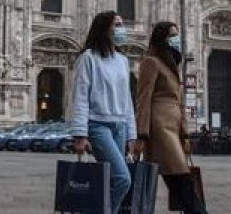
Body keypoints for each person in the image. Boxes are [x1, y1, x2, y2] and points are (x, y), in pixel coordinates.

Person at [134, 21, 207, 214]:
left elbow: (179, 103)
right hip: (160, 129)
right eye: (172, 35)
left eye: (177, 34)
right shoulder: (151, 62)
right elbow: (144, 98)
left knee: (180, 180)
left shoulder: (170, 64)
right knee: (181, 179)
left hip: (173, 129)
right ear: (161, 38)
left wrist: (184, 134)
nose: (177, 39)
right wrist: (142, 135)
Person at [71, 11, 136, 214]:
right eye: (117, 25)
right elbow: (80, 97)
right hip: (98, 125)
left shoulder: (123, 60)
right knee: (122, 179)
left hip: (120, 126)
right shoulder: (88, 58)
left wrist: (131, 133)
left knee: (110, 182)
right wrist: (80, 134)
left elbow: (127, 100)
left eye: (122, 24)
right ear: (104, 29)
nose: (121, 29)